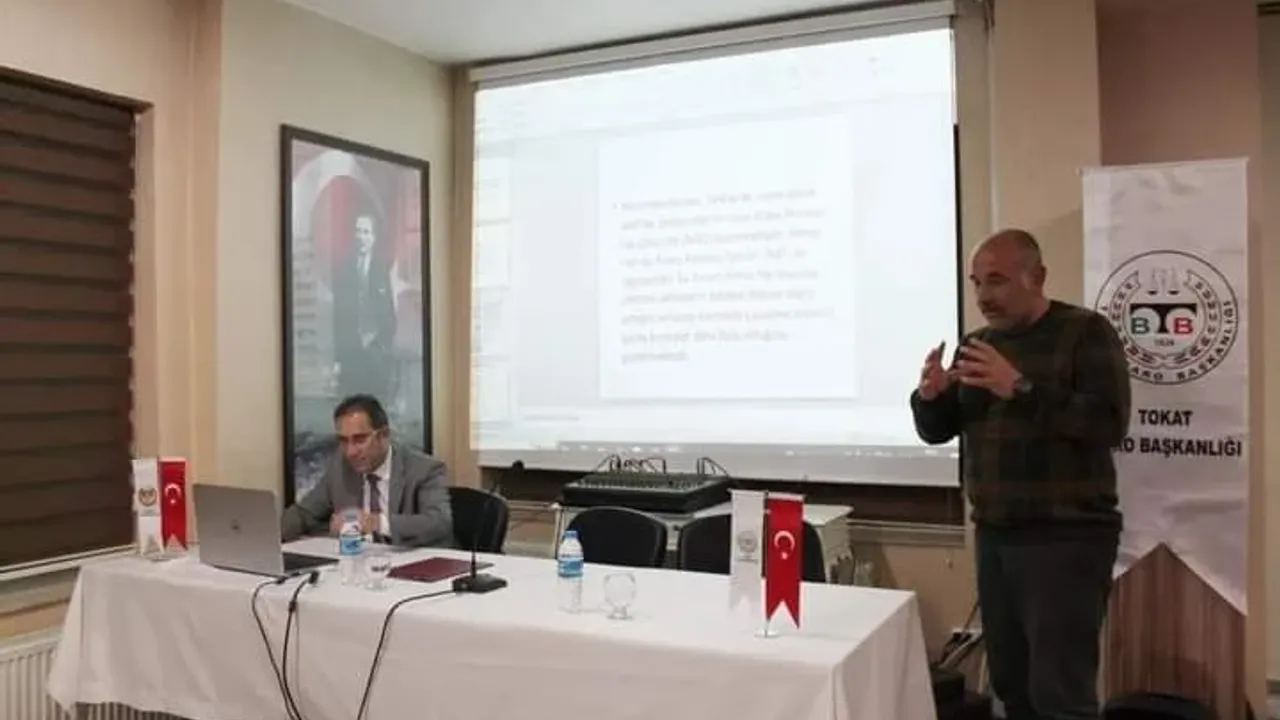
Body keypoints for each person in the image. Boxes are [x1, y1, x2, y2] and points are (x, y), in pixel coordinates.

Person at [909, 229, 1132, 720]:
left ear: (1038, 277)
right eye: (976, 283)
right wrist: (930, 399)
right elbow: (939, 430)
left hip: (1066, 537)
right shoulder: (978, 344)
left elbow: (1108, 424)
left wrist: (1021, 387)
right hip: (996, 535)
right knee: (1011, 684)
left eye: (997, 280)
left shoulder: (1084, 332)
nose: (983, 296)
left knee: (1061, 692)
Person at [282, 394, 454, 548]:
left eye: (359, 440)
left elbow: (439, 523)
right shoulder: (340, 466)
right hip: (360, 563)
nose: (350, 452)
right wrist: (271, 538)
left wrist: (376, 523)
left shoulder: (424, 469)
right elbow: (304, 513)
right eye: (343, 441)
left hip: (418, 563)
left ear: (384, 435)